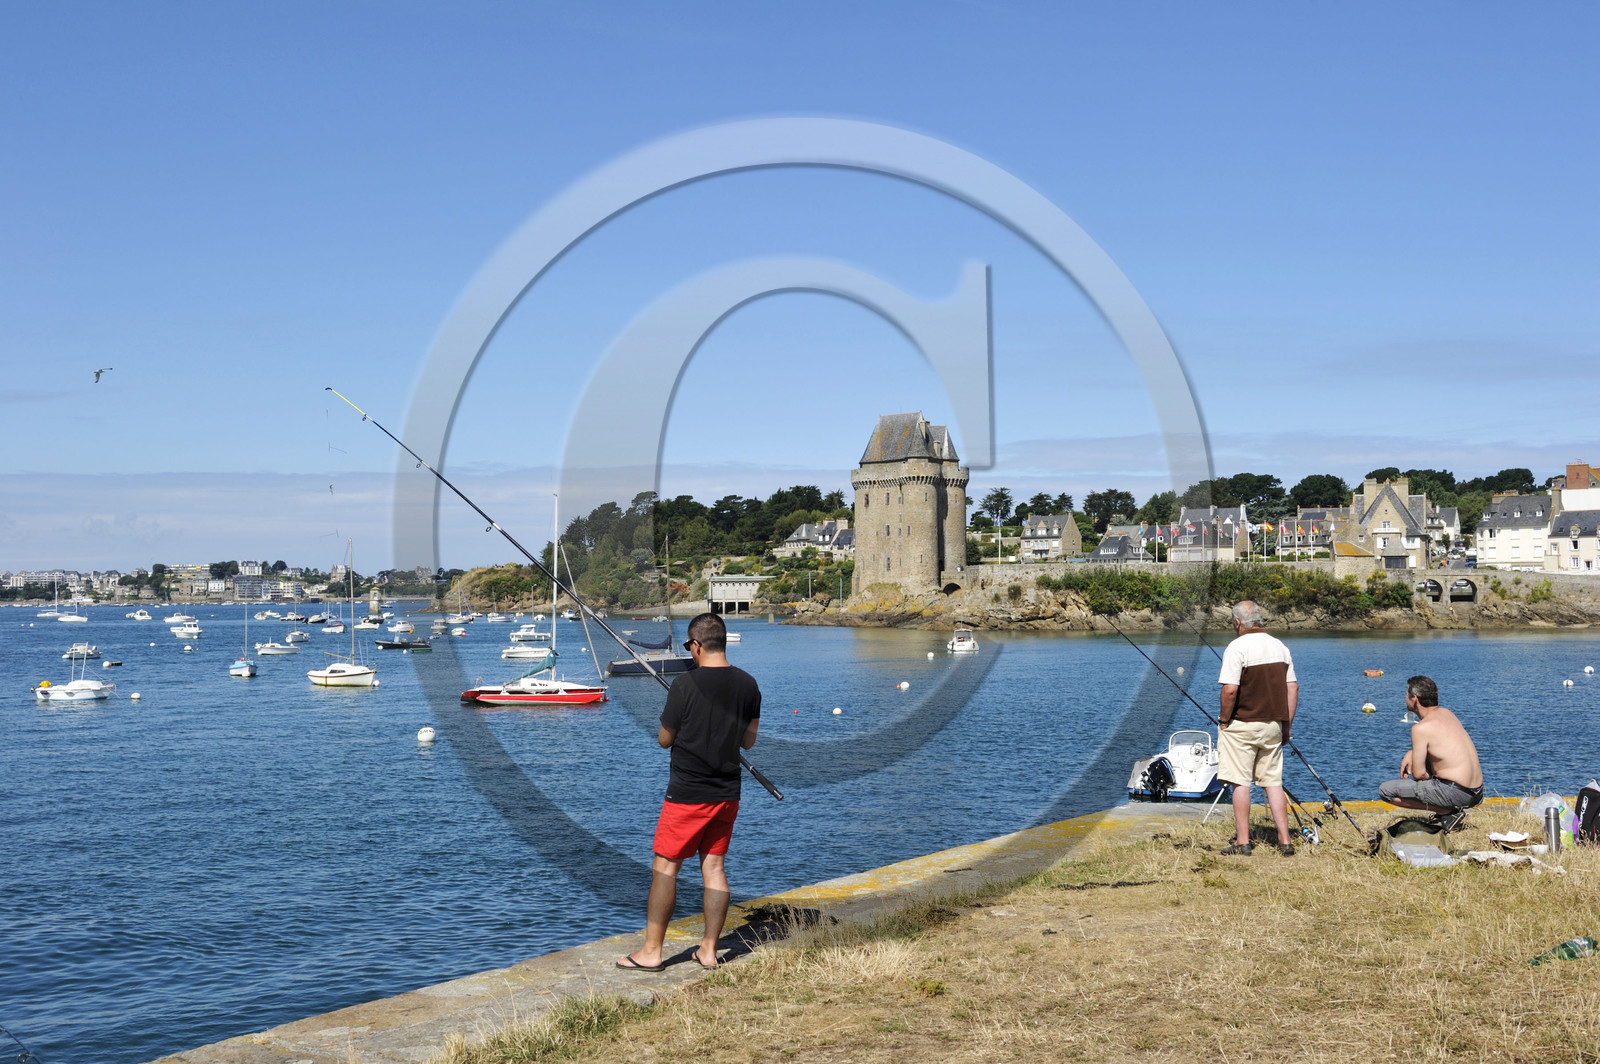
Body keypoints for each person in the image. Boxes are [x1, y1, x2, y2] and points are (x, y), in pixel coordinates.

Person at [617, 612, 760, 972]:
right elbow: (748, 742)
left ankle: (652, 952)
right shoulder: (749, 685)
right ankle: (709, 950)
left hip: (687, 794)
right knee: (713, 867)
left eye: (688, 646)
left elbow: (665, 740)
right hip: (727, 794)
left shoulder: (684, 685)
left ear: (696, 645)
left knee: (666, 868)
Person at [1216, 600, 1298, 856]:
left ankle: (1243, 841)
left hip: (1242, 724)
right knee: (1273, 781)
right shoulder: (1279, 646)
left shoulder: (1236, 647)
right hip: (1274, 723)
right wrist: (1286, 725)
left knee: (1240, 782)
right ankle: (1285, 840)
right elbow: (1292, 688)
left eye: (1233, 623)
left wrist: (1223, 719)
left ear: (1238, 623)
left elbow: (1230, 690)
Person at [1378, 675, 1483, 823]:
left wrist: (1418, 769)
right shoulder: (1447, 713)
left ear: (1415, 698)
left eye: (1406, 694)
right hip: (1477, 792)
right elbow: (1442, 748)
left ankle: (1447, 811)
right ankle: (1448, 808)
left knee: (1385, 791)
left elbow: (1419, 775)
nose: (1404, 697)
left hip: (1456, 793)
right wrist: (1412, 752)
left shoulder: (1420, 729)